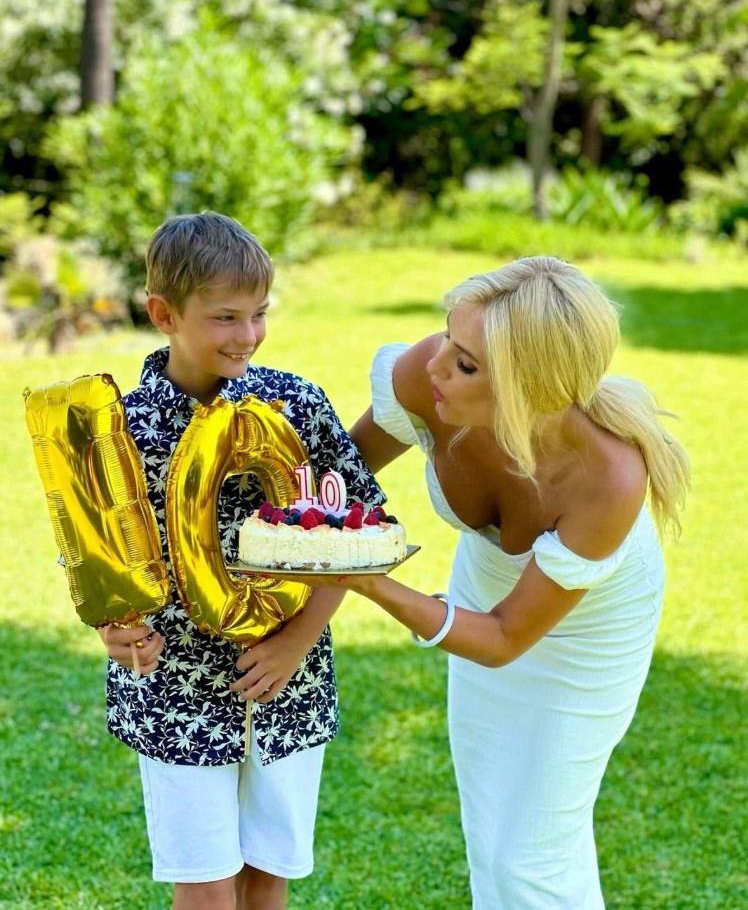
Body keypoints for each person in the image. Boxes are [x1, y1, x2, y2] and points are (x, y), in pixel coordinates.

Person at [306, 256, 689, 908]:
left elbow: (507, 636)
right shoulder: (426, 377)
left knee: (529, 854)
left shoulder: (607, 478)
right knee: (491, 835)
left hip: (591, 625)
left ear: (527, 388)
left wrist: (372, 583)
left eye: (465, 364)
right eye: (447, 338)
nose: (434, 364)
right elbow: (330, 485)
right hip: (484, 588)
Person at [97, 212, 385, 910]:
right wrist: (114, 629)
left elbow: (354, 538)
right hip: (174, 691)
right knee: (205, 883)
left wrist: (296, 640)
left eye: (259, 314)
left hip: (288, 687)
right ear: (163, 314)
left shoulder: (298, 405)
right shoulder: (122, 429)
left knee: (267, 876)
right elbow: (100, 562)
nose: (248, 335)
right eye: (225, 317)